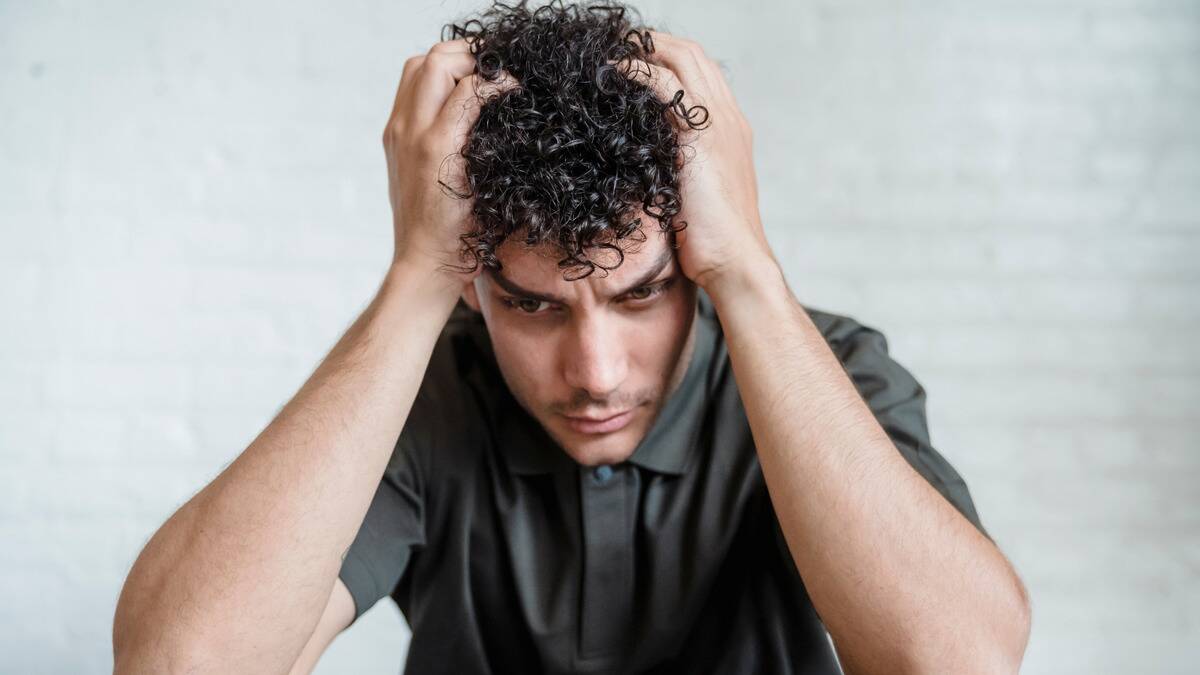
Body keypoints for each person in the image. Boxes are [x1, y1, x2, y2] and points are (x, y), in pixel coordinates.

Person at [112, 2, 1031, 673]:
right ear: (475, 285)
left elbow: (961, 658)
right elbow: (179, 663)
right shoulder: (426, 396)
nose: (595, 373)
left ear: (697, 257)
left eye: (643, 294)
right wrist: (413, 280)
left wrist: (749, 270)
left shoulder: (832, 372)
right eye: (534, 305)